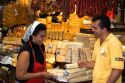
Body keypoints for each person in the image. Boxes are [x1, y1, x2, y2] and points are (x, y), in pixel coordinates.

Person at [78, 15, 124, 83]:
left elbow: (118, 69)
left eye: (95, 28)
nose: (92, 30)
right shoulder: (97, 42)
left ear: (104, 29)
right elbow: (96, 62)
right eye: (92, 27)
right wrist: (85, 64)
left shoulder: (114, 44)